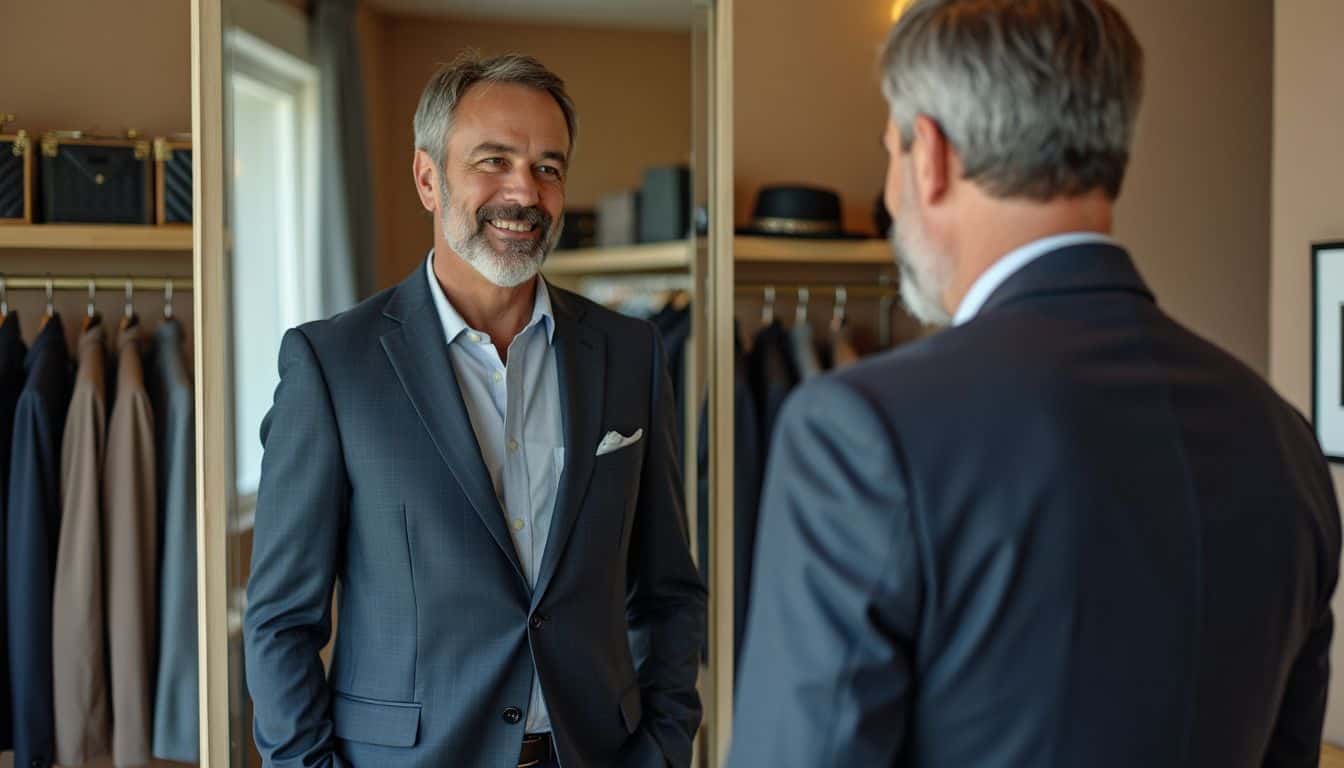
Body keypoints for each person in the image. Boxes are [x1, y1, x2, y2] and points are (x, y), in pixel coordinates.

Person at [728, 1, 1340, 766]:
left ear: (931, 157)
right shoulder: (1281, 439)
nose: (890, 197)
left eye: (891, 150)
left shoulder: (863, 432)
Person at [244, 53, 705, 768]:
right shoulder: (333, 366)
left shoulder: (630, 352)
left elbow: (669, 590)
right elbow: (281, 623)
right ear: (429, 178)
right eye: (493, 160)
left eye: (548, 167)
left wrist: (665, 747)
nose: (524, 191)